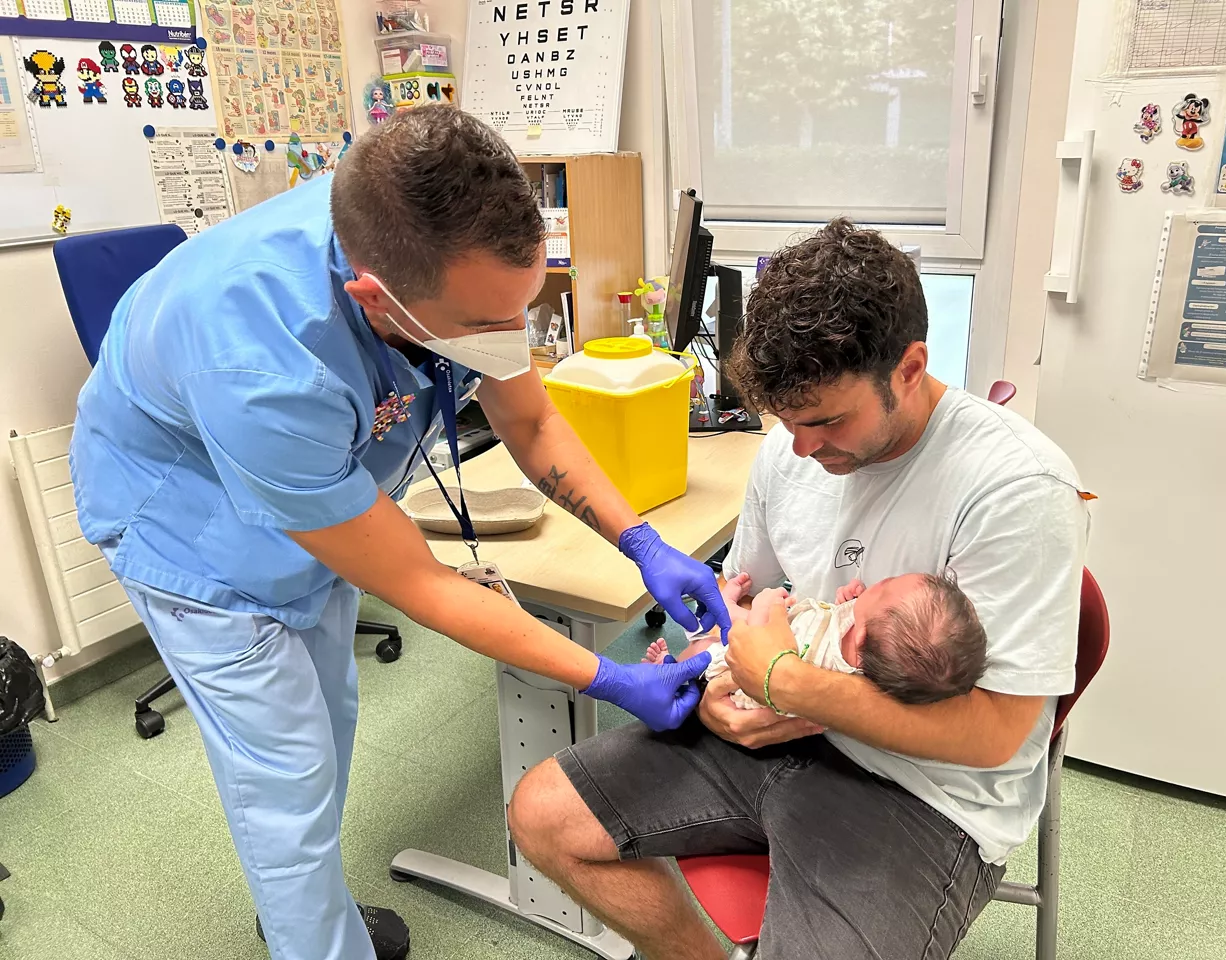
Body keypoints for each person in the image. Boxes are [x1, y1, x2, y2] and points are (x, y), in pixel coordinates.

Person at [68, 105, 729, 960]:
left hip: (313, 494)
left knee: (331, 720)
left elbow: (528, 423)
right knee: (287, 773)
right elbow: (420, 584)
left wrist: (641, 542)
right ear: (374, 297)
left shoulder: (421, 234)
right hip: (191, 532)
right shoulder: (265, 363)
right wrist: (606, 677)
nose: (506, 342)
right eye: (483, 325)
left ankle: (305, 910)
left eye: (517, 311)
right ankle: (313, 941)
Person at [508, 220, 1089, 960]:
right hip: (760, 737)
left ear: (910, 368)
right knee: (542, 815)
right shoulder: (791, 450)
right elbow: (745, 607)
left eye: (827, 421)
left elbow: (995, 734)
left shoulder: (1017, 489)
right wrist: (720, 683)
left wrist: (784, 682)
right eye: (787, 421)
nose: (805, 449)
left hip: (920, 791)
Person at [644, 571, 989, 710]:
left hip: (750, 669)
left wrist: (768, 604)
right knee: (725, 627)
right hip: (784, 631)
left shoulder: (823, 661)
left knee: (713, 646)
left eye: (885, 586)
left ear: (862, 635)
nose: (883, 578)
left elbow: (765, 646)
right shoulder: (864, 648)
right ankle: (721, 615)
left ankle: (672, 670)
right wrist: (849, 603)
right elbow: (839, 622)